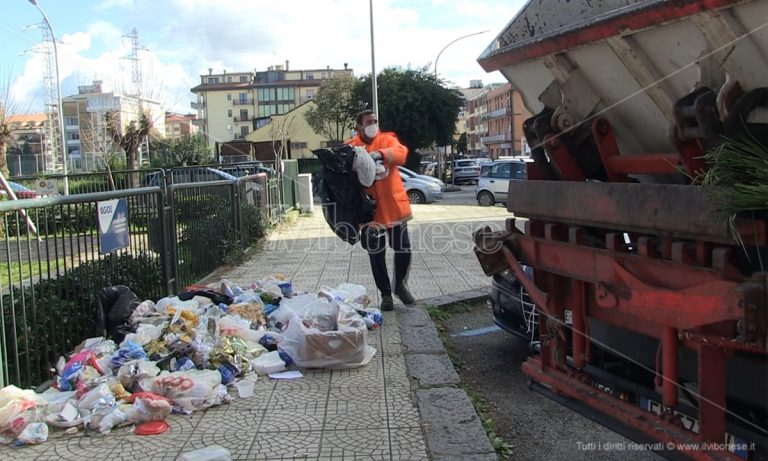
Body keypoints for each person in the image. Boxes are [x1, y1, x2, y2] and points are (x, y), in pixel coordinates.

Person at [346, 109, 415, 311]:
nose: (373, 124)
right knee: (376, 254)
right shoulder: (351, 147)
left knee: (403, 248)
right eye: (369, 121)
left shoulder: (388, 140)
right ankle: (386, 294)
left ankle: (400, 284)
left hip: (393, 207)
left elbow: (401, 154)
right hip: (369, 212)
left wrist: (380, 154)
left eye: (375, 121)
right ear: (359, 125)